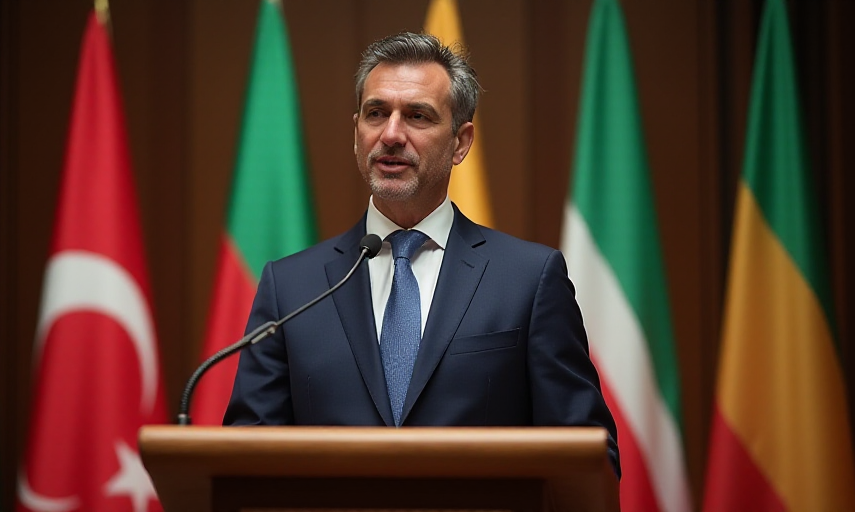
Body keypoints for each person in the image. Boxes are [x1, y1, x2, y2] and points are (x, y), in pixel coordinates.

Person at [223, 32, 620, 477]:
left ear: (461, 142)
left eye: (417, 116)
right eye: (376, 114)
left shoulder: (529, 280)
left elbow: (587, 457)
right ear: (357, 132)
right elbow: (245, 461)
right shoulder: (292, 288)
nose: (391, 134)